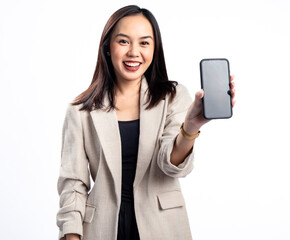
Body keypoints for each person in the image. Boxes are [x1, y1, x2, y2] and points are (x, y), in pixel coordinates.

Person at [56, 5, 235, 240]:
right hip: (101, 229)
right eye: (123, 41)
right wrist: (71, 235)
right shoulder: (80, 111)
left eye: (144, 43)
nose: (134, 52)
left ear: (154, 49)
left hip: (163, 226)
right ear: (108, 48)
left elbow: (169, 164)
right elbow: (73, 184)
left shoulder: (173, 97)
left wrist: (191, 126)